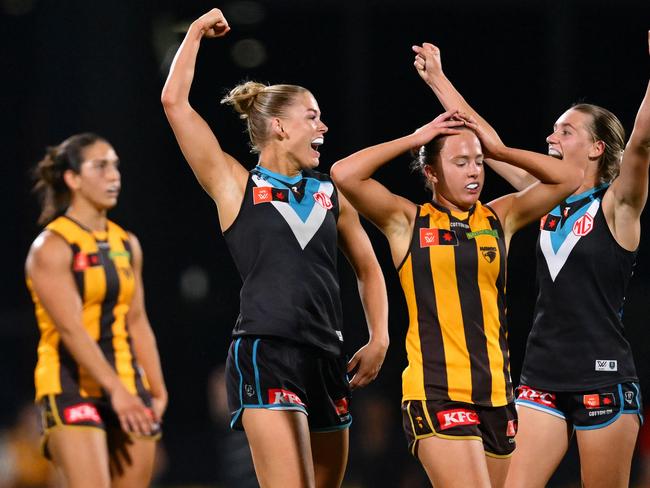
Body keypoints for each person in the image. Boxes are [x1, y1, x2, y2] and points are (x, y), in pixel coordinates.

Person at [160, 8, 389, 488]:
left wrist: (380, 336)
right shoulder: (235, 186)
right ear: (280, 127)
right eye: (312, 117)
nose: (323, 127)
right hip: (266, 351)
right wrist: (197, 32)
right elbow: (175, 104)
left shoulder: (332, 193)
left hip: (327, 357)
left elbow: (368, 268)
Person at [330, 69, 584, 487]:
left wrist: (499, 149)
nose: (475, 173)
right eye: (461, 162)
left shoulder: (500, 216)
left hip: (497, 397)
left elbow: (569, 178)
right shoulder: (406, 221)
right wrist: (416, 138)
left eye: (479, 163)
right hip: (435, 392)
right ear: (430, 172)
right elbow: (344, 173)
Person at [416, 34, 650, 488]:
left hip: (602, 376)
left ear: (598, 148)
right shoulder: (544, 199)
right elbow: (491, 140)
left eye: (566, 130)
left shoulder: (618, 204)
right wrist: (439, 80)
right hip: (541, 375)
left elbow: (640, 142)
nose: (550, 136)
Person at [25, 133, 167, 488]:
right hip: (71, 386)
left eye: (116, 165)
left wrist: (157, 388)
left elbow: (137, 320)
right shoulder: (51, 246)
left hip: (128, 384)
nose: (114, 175)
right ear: (72, 179)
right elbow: (71, 329)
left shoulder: (126, 243)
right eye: (100, 166)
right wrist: (115, 391)